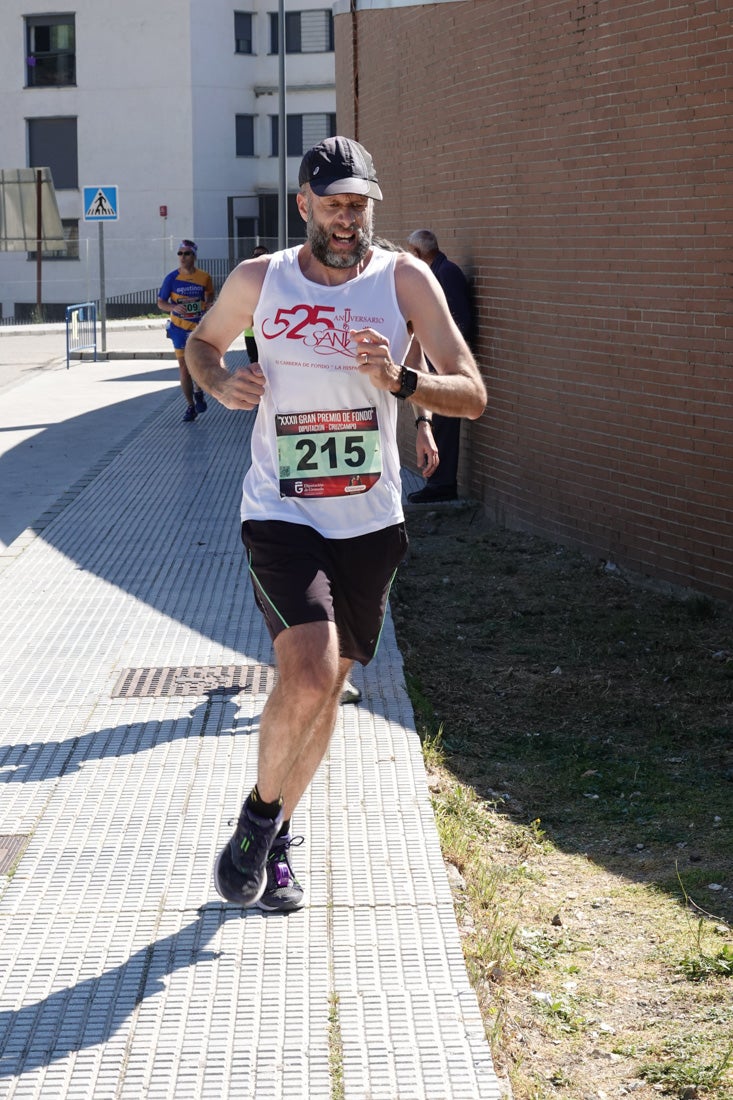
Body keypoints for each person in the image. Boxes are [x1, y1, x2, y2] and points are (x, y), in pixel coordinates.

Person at [186, 136, 486, 913]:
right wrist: (220, 382)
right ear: (303, 206)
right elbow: (201, 343)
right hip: (281, 510)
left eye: (359, 205)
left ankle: (277, 836)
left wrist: (403, 382)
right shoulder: (262, 278)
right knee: (310, 670)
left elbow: (472, 392)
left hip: (370, 521)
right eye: (333, 204)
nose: (347, 219)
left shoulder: (405, 279)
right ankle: (259, 817)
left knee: (327, 689)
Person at [406, 229, 474, 503]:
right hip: (438, 367)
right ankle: (436, 482)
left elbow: (461, 323)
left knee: (443, 426)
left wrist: (443, 359)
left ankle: (441, 486)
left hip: (446, 369)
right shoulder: (437, 272)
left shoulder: (446, 274)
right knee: (435, 425)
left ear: (419, 253)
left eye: (411, 252)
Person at [157, 240, 214, 422]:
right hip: (179, 329)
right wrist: (173, 308)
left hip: (198, 328)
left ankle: (198, 391)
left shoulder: (204, 277)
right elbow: (161, 302)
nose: (182, 257)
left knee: (196, 364)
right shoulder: (171, 278)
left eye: (187, 253)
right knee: (183, 368)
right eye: (180, 253)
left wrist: (207, 306)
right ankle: (190, 405)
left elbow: (209, 297)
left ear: (194, 256)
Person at [244, 245, 269, 364]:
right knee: (254, 364)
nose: (259, 258)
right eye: (256, 255)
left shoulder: (275, 278)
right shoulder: (245, 277)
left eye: (262, 255)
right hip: (251, 332)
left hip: (269, 332)